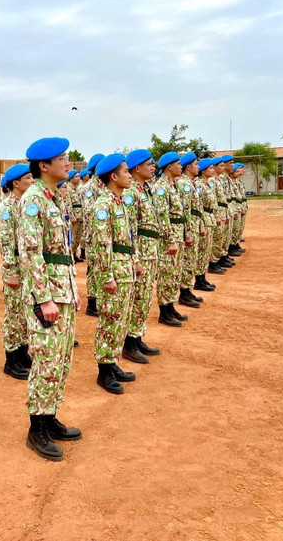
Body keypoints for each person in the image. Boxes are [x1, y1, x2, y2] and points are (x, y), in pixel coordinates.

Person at [17, 137, 82, 462]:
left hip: (62, 292)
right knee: (47, 360)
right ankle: (36, 428)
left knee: (62, 360)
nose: (68, 163)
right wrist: (44, 299)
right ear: (44, 166)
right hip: (48, 297)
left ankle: (50, 414)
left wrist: (72, 291)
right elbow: (31, 253)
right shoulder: (33, 201)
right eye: (63, 158)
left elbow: (62, 252)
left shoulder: (54, 198)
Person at [90, 153, 138, 394]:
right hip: (114, 272)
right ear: (113, 176)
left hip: (125, 267)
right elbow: (101, 244)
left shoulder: (120, 201)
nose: (130, 175)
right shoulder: (103, 205)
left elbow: (128, 237)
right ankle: (104, 370)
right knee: (110, 320)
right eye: (126, 172)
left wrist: (136, 260)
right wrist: (107, 276)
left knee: (122, 319)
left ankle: (113, 361)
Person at [122, 149, 162, 363]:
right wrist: (135, 258)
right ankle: (129, 343)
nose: (153, 167)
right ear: (137, 169)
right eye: (149, 165)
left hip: (150, 251)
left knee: (145, 297)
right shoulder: (131, 193)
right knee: (138, 298)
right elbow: (130, 229)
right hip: (141, 253)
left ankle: (137, 337)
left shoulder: (145, 189)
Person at [0, 163, 34, 380]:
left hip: (27, 267)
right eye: (28, 178)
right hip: (15, 267)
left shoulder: (26, 203)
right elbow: (6, 243)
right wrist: (10, 271)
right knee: (14, 314)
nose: (32, 181)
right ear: (16, 183)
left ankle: (22, 353)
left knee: (24, 313)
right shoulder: (7, 208)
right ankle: (11, 359)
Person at [153, 151, 193, 327]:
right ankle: (164, 310)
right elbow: (162, 216)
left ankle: (171, 305)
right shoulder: (161, 188)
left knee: (175, 272)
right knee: (167, 273)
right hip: (168, 237)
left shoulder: (173, 185)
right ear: (169, 167)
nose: (181, 167)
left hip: (178, 234)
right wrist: (170, 239)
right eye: (178, 164)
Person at [176, 153, 204, 308]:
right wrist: (188, 232)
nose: (198, 167)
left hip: (192, 226)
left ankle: (187, 290)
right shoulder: (184, 184)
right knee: (187, 260)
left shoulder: (190, 183)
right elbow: (185, 210)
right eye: (196, 164)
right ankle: (184, 292)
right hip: (188, 228)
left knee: (191, 259)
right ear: (189, 167)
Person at [82, 153, 106, 317]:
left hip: (103, 235)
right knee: (93, 268)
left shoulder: (103, 186)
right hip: (93, 235)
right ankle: (92, 303)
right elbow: (90, 213)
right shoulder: (89, 188)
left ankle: (99, 299)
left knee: (102, 266)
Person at [194, 158, 219, 291]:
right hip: (204, 218)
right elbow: (199, 206)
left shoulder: (206, 184)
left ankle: (203, 277)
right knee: (202, 250)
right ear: (203, 171)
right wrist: (201, 223)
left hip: (209, 218)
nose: (213, 170)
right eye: (210, 168)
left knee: (206, 250)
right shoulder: (198, 185)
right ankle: (198, 280)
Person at [67, 170, 83, 263]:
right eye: (76, 177)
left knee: (78, 237)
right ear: (71, 178)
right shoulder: (68, 188)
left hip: (80, 215)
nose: (78, 178)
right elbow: (69, 203)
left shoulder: (76, 188)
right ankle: (70, 254)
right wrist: (71, 216)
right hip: (74, 216)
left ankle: (74, 253)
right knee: (73, 237)